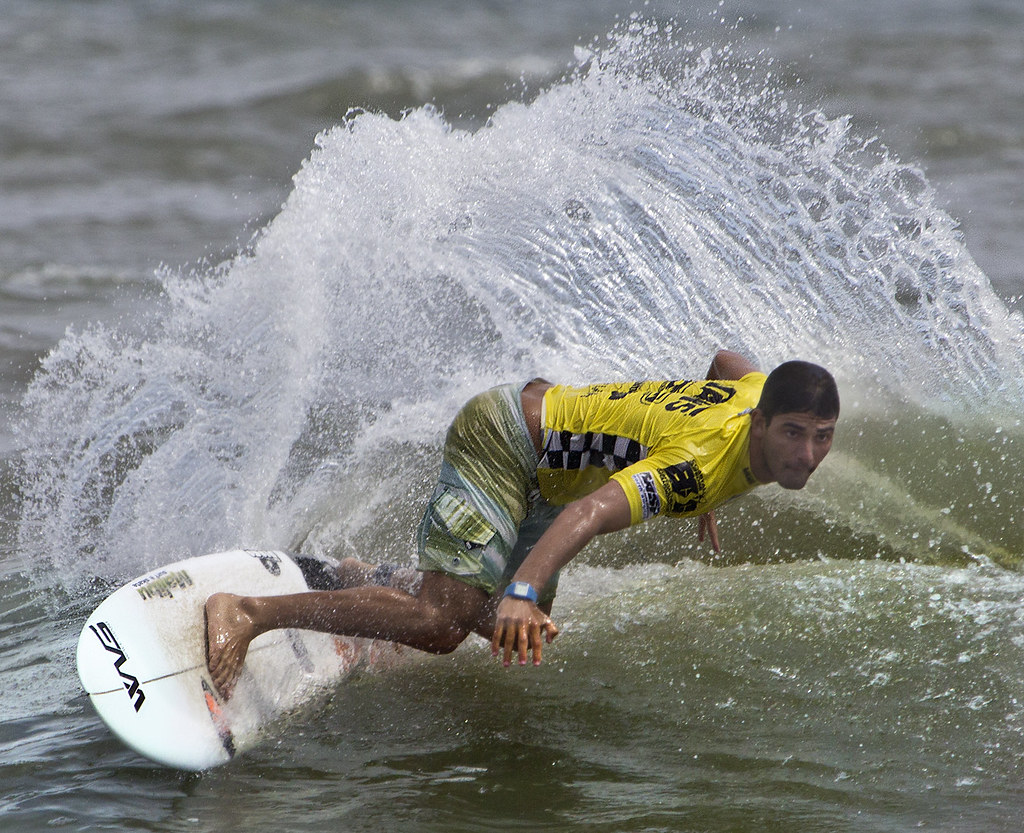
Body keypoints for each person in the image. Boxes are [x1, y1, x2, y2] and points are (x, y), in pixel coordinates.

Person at [206, 350, 839, 697]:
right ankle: (249, 611)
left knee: (515, 635)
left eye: (821, 438)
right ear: (759, 422)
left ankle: (367, 580)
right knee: (442, 626)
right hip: (507, 438)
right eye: (791, 433)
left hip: (550, 468)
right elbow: (587, 514)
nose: (805, 456)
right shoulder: (695, 468)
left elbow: (730, 362)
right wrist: (521, 590)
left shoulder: (754, 393)